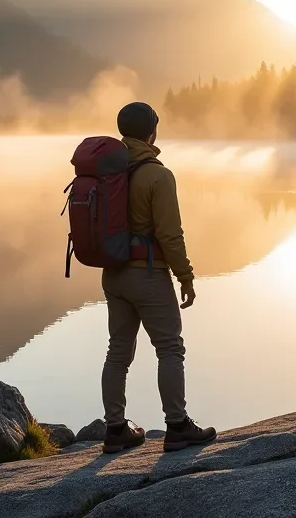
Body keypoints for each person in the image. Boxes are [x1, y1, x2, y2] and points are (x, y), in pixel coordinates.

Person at [100, 102, 216, 454]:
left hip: (113, 274)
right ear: (152, 131)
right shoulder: (158, 175)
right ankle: (177, 426)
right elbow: (169, 235)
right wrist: (186, 276)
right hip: (147, 275)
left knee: (118, 352)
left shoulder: (108, 170)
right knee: (169, 349)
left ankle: (115, 429)